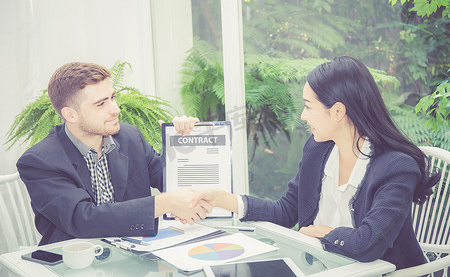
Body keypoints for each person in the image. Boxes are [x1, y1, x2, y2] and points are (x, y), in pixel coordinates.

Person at [191, 56, 439, 270]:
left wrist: (325, 233)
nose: (303, 115)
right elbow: (287, 211)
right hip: (324, 267)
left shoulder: (397, 168)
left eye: (308, 106)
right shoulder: (317, 150)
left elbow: (368, 244)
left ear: (338, 112)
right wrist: (225, 200)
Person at [17, 62, 211, 245]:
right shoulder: (39, 161)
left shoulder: (130, 137)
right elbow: (83, 219)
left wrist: (184, 142)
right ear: (70, 114)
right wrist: (163, 203)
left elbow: (173, 183)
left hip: (136, 253)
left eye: (112, 97)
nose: (116, 109)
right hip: (75, 263)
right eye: (101, 104)